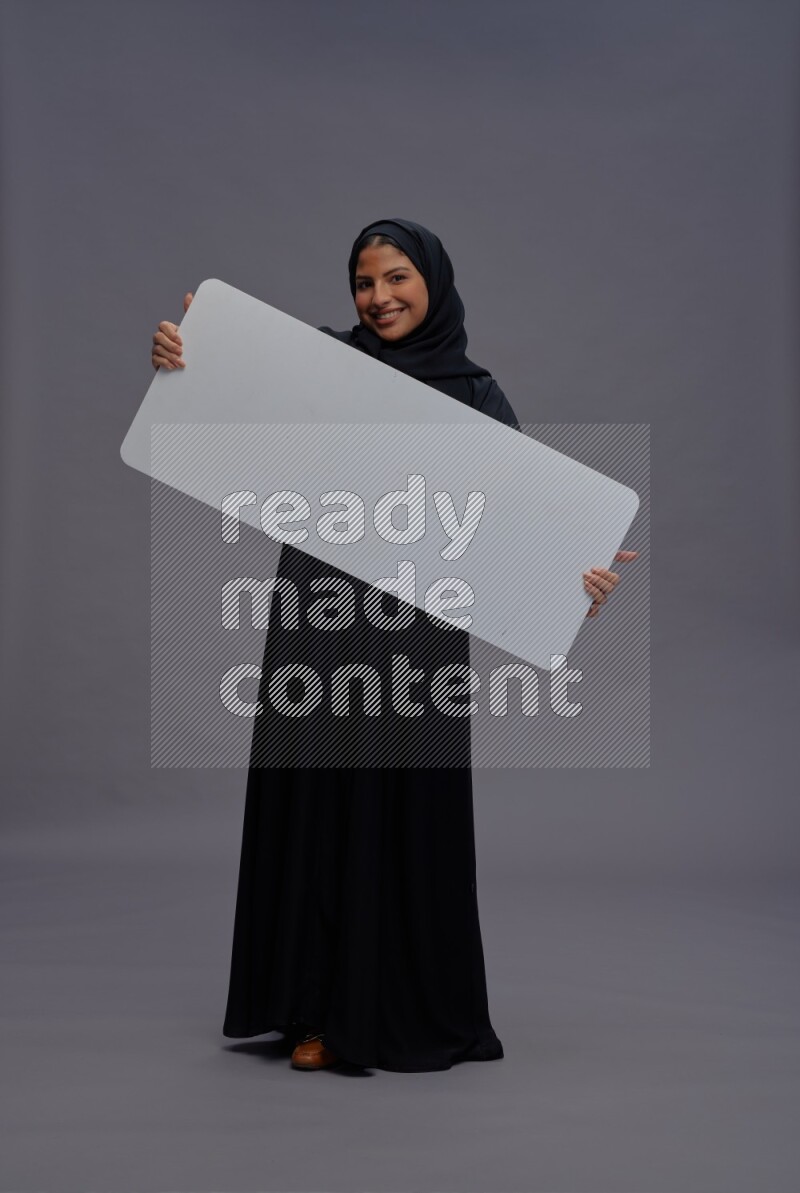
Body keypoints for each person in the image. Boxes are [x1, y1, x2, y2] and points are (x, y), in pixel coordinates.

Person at [151, 217, 637, 1072]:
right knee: (318, 800)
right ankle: (311, 1007)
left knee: (401, 804)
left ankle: (388, 1010)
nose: (380, 298)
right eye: (364, 283)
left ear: (436, 282)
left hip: (417, 632)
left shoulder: (478, 394)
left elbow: (520, 524)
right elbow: (232, 416)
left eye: (398, 278)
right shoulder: (322, 365)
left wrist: (578, 583)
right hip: (320, 613)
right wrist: (192, 360)